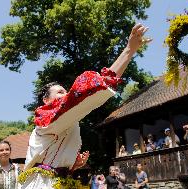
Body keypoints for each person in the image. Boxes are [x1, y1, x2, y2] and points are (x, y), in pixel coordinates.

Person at [21, 23, 152, 189]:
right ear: (46, 101)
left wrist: (71, 164)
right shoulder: (47, 119)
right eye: (60, 92)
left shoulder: (66, 122)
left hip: (59, 182)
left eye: (66, 92)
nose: (66, 95)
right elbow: (89, 91)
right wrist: (128, 50)